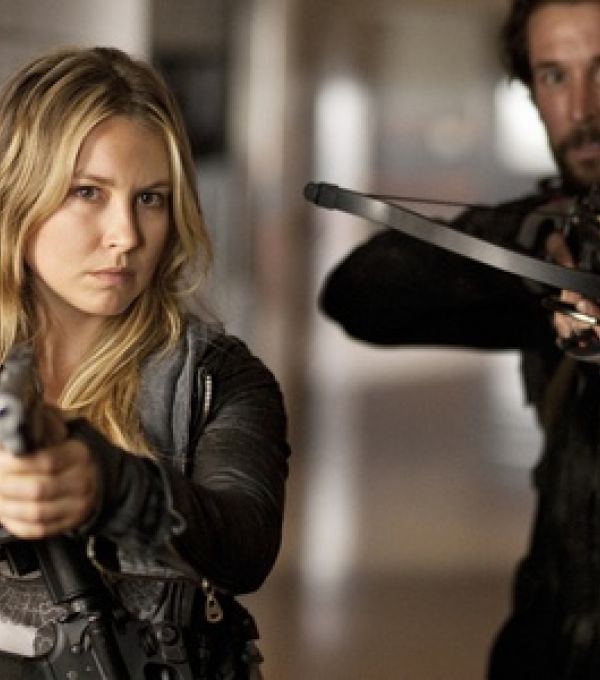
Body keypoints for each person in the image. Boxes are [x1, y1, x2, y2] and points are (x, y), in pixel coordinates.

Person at [318, 1, 600, 678]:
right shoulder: (551, 235)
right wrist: (538, 249)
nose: (583, 107)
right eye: (554, 76)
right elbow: (360, 295)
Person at [0, 45, 290, 679]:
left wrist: (111, 486)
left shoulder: (215, 380)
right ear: (21, 194)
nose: (126, 236)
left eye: (150, 199)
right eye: (87, 192)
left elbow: (245, 542)